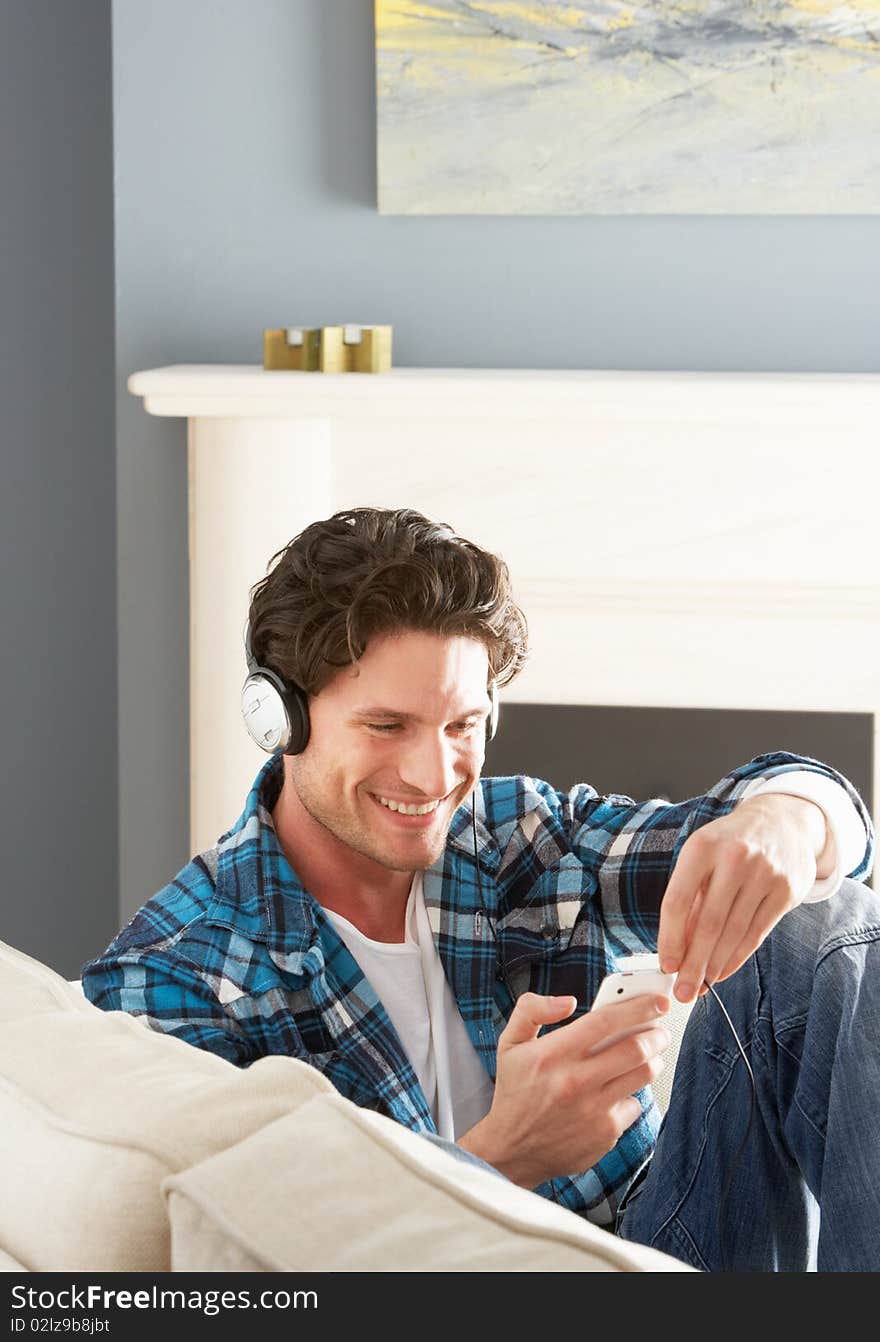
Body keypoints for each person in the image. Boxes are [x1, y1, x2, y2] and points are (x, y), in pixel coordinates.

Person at [83, 507, 878, 1271]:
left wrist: (789, 818)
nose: (436, 777)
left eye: (463, 725)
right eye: (387, 727)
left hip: (643, 1255)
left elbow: (798, 823)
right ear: (278, 717)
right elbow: (239, 1282)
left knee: (823, 926)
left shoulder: (518, 835)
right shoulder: (174, 978)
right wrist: (505, 1155)